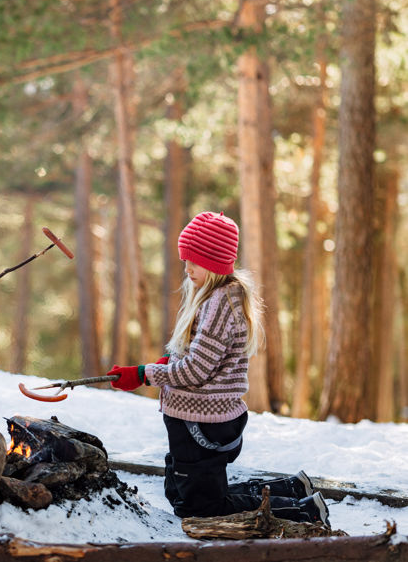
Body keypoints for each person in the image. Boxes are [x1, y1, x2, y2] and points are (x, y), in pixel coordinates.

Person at [109, 212, 330, 526]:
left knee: (200, 508)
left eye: (194, 262)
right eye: (185, 259)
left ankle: (305, 511)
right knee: (182, 495)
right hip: (197, 420)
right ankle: (293, 488)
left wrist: (145, 374)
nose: (187, 268)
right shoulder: (217, 296)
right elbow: (201, 358)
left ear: (214, 263)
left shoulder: (218, 304)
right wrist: (167, 364)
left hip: (202, 424)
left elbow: (197, 371)